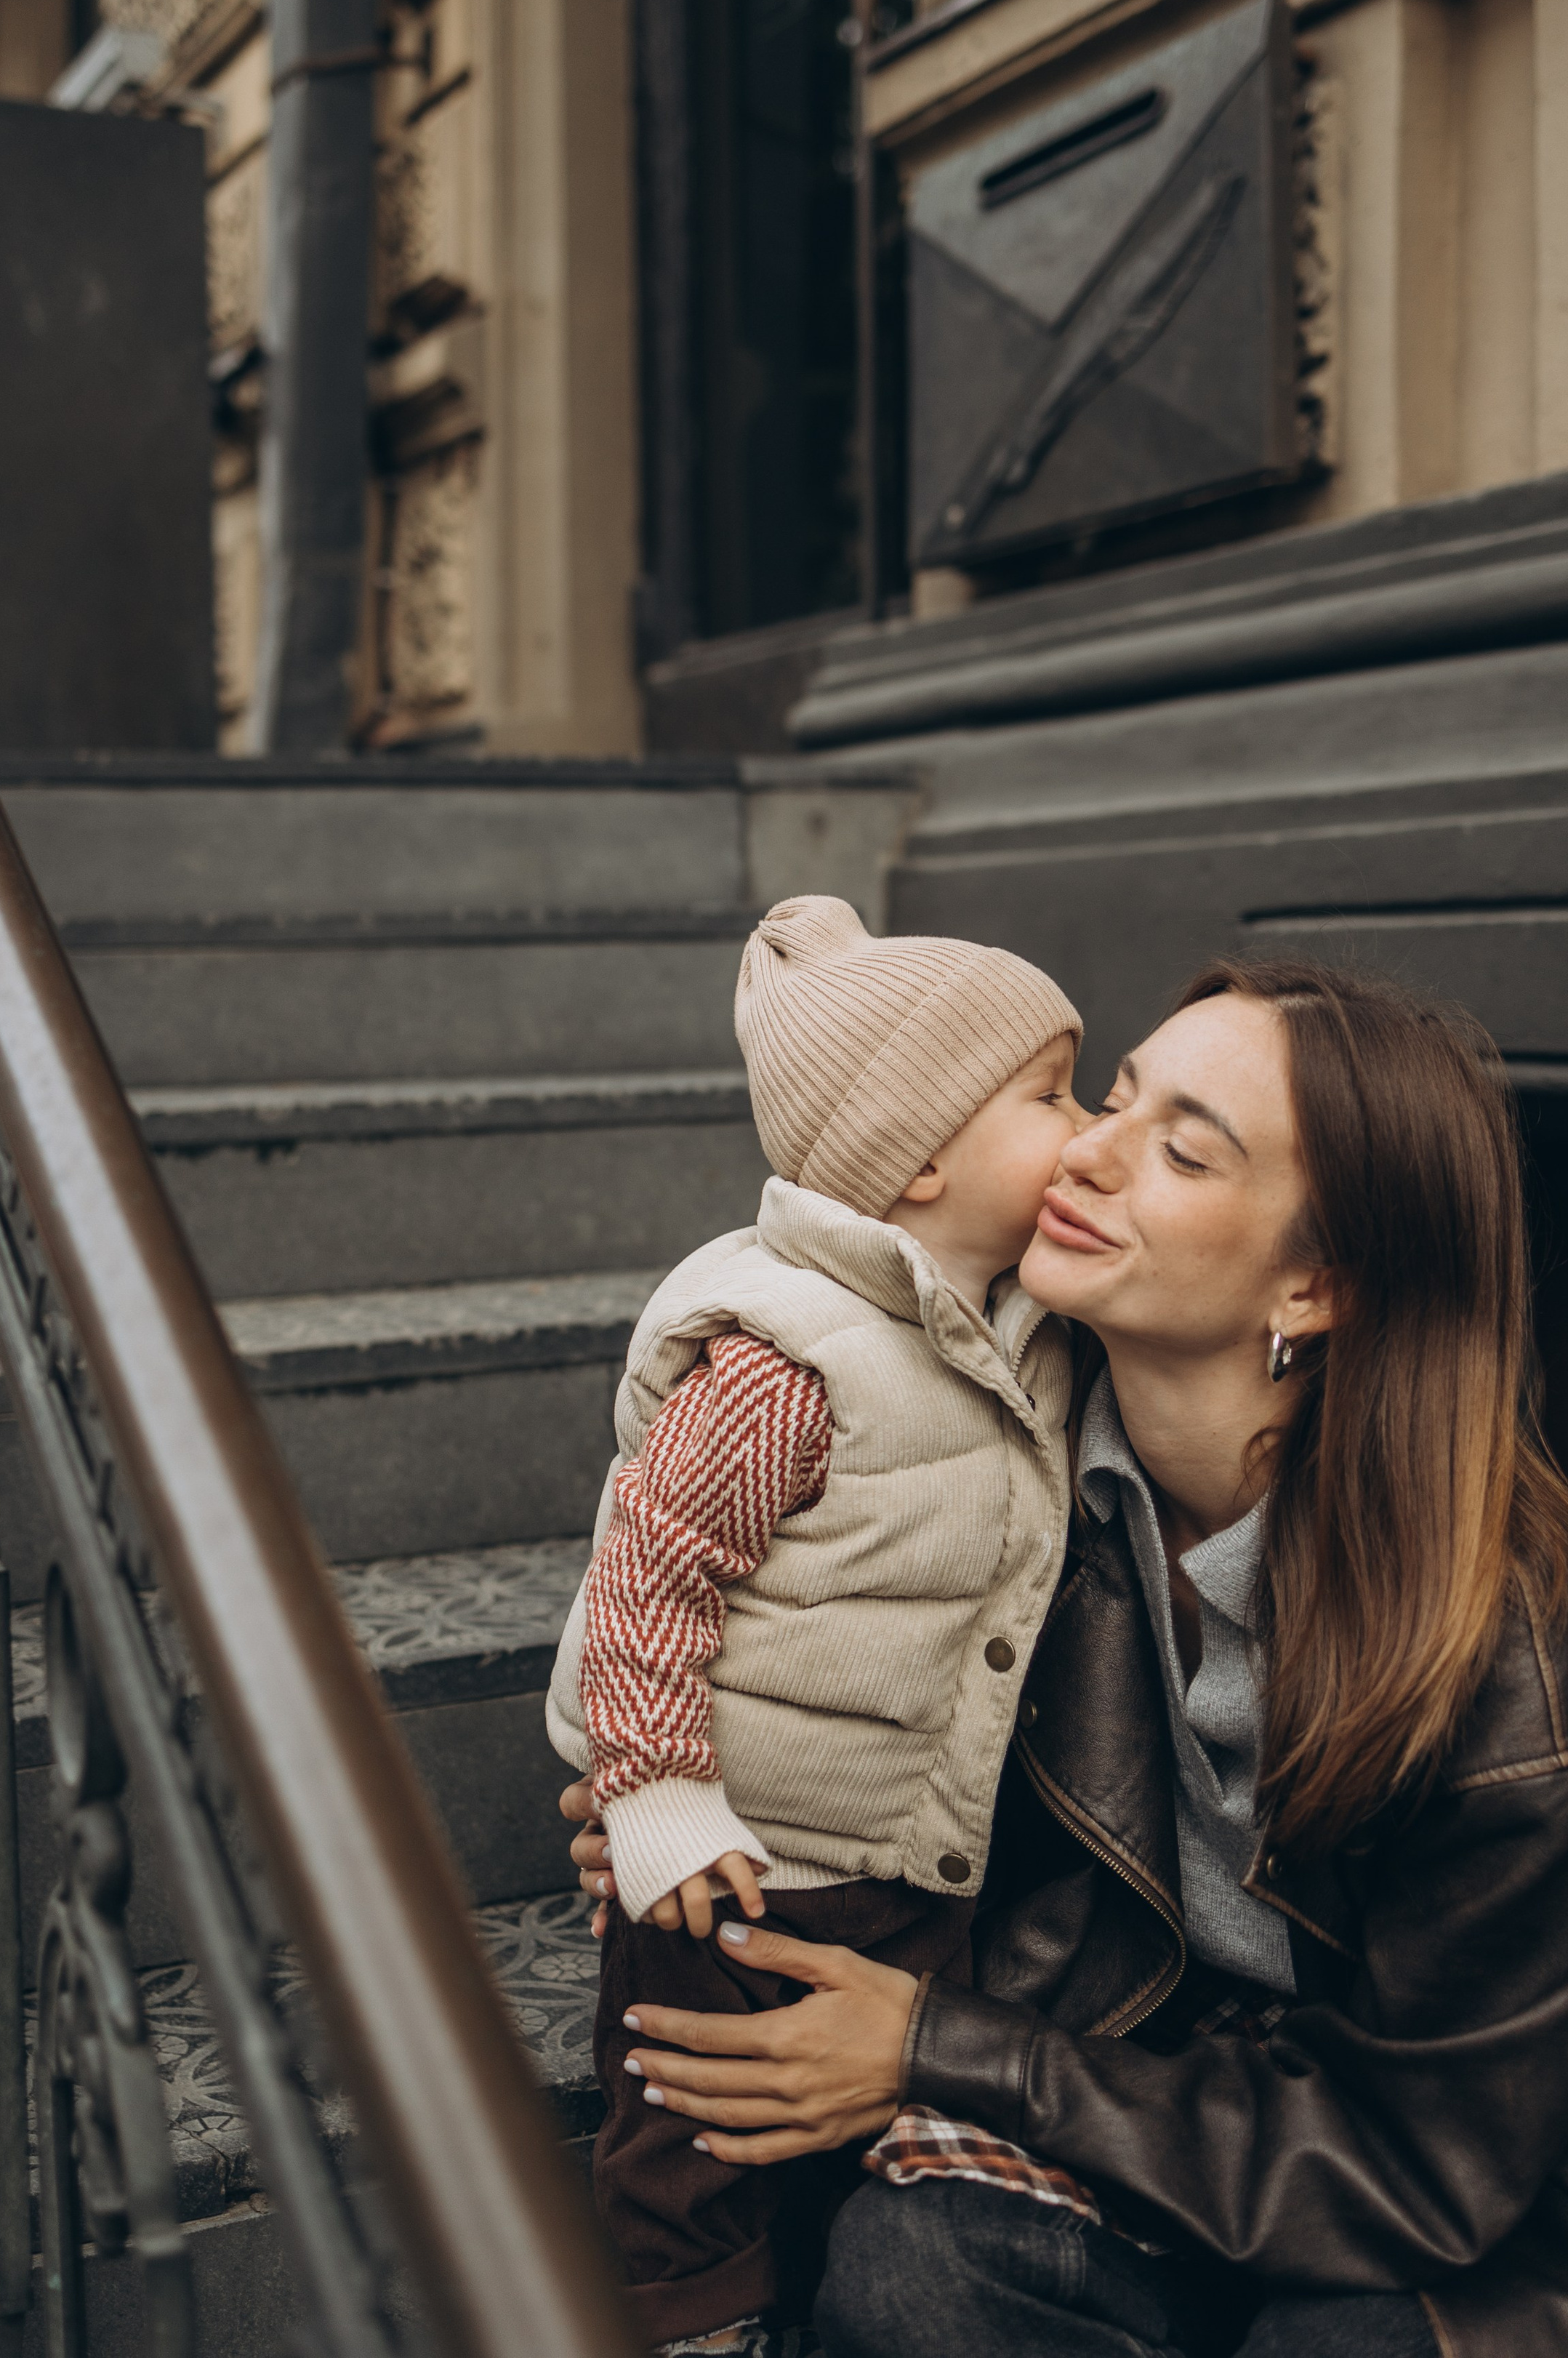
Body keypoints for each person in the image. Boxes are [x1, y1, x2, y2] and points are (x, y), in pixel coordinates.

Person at [575, 957, 1568, 2358]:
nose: (1089, 1149)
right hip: (1157, 2092)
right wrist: (695, 1817)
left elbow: (1428, 2165)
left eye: (1181, 1149)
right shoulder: (994, 1488)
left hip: (1487, 2204)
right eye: (1106, 1097)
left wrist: (937, 2048)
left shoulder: (1521, 1659)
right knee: (919, 2275)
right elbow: (809, 1694)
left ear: (1313, 1287)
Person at [547, 894, 1091, 2355]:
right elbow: (651, 1574)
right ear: (917, 1160)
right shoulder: (789, 1355)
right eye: (1050, 1095)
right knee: (690, 2115)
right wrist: (654, 1793)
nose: (1087, 1125)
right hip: (732, 1858)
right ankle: (692, 2320)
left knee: (855, 2129)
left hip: (903, 1845)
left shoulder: (1020, 1331)